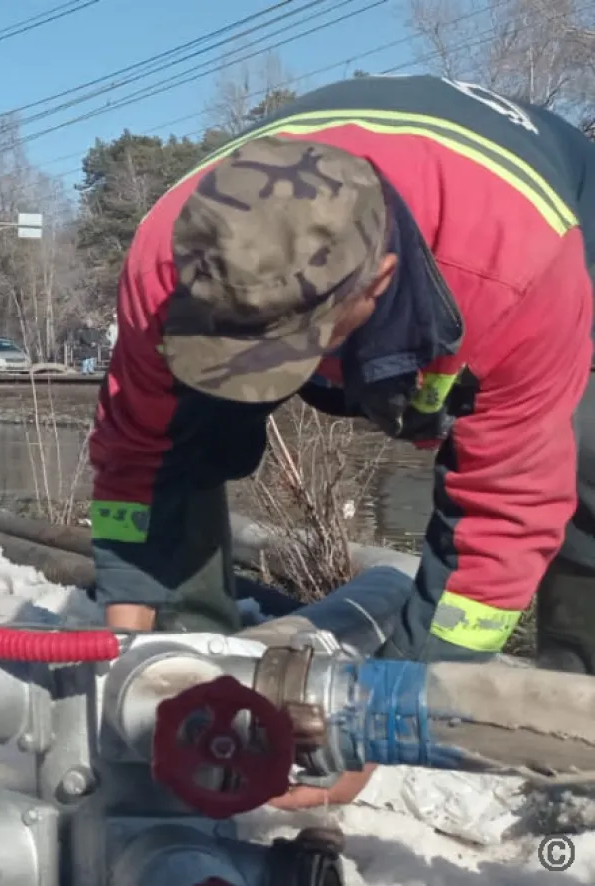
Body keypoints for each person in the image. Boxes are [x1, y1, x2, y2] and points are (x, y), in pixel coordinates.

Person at [85, 74, 595, 807]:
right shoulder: (167, 259)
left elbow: (505, 520)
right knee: (184, 422)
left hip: (546, 212)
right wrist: (130, 634)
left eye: (279, 352)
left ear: (376, 284)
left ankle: (569, 736)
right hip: (401, 225)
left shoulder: (519, 270)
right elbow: (134, 453)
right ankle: (195, 648)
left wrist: (376, 732)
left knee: (585, 467)